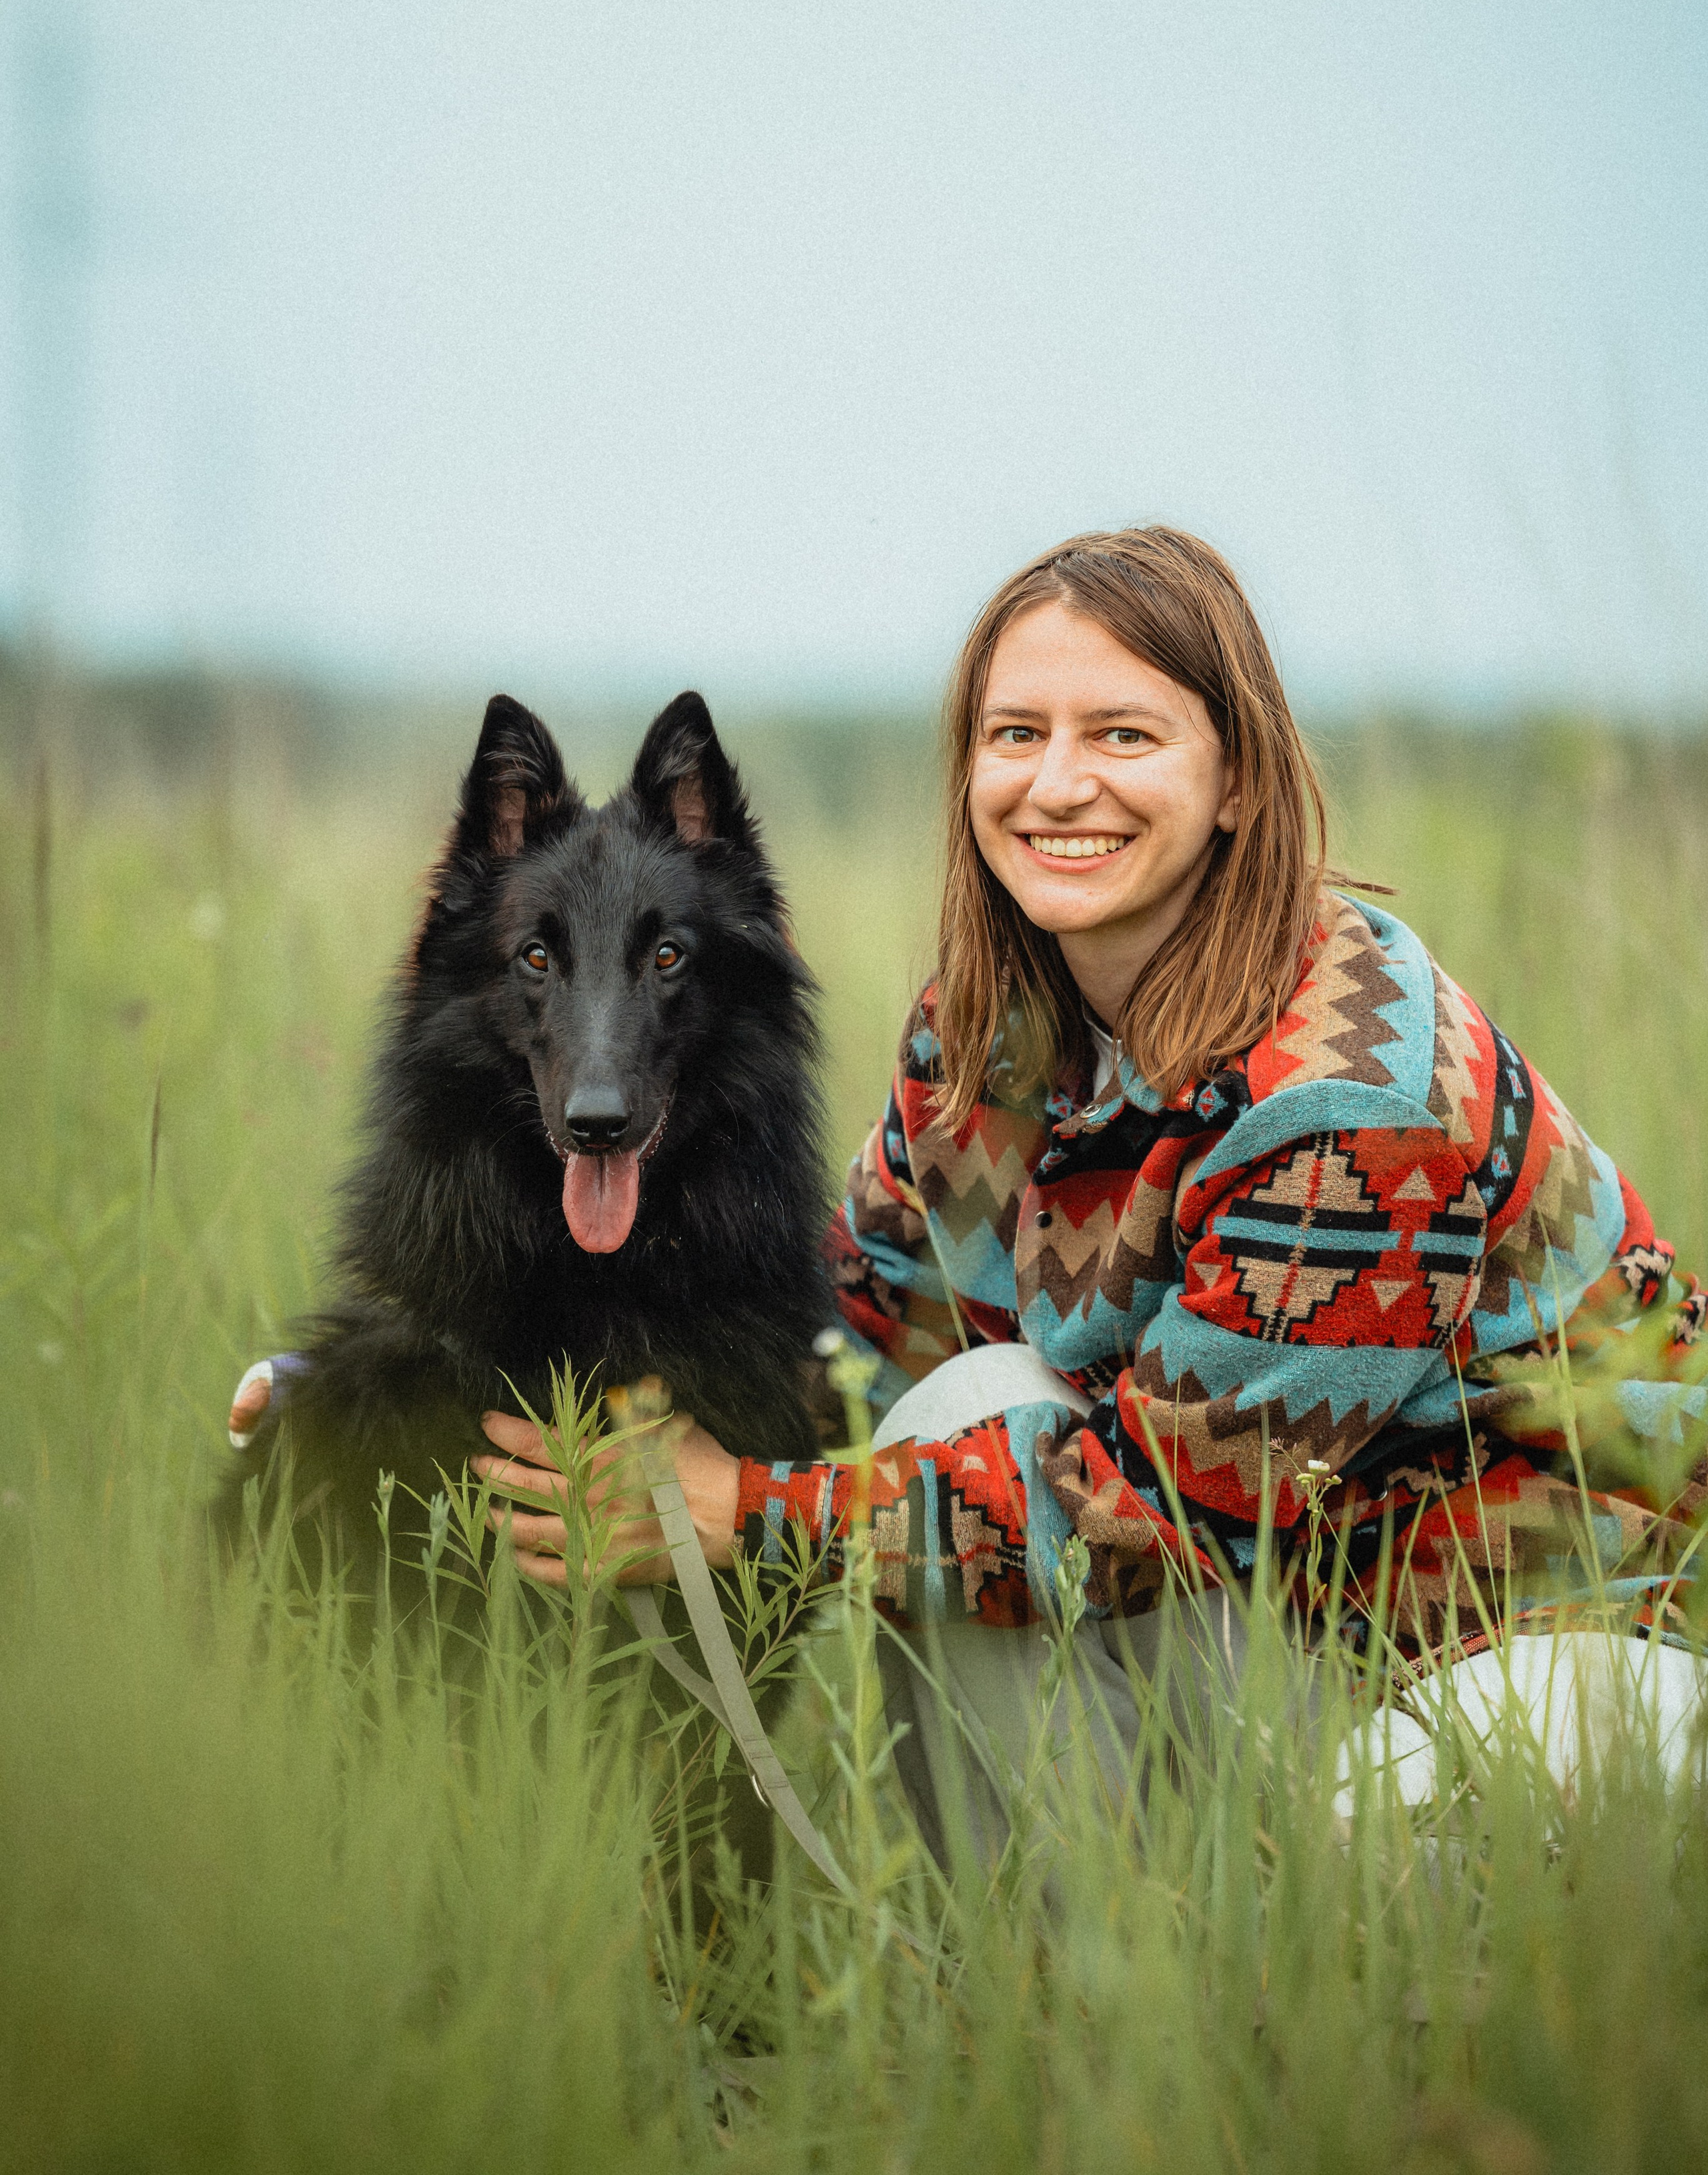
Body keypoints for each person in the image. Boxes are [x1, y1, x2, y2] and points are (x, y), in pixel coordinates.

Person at [244, 528, 1708, 1841]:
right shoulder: (995, 1030)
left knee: (1371, 1913)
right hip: (1286, 1635)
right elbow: (854, 1345)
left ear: (1239, 780)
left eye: (1122, 733)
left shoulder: (1347, 1100)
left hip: (1554, 1648)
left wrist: (745, 1512)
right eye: (1016, 732)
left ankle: (1227, 2002)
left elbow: (1144, 1521)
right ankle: (1036, 2006)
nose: (1057, 783)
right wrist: (371, 1397)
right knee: (956, 1410)